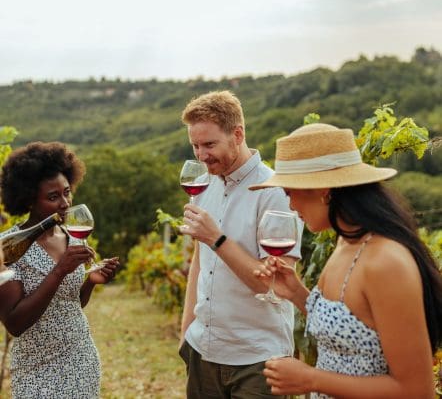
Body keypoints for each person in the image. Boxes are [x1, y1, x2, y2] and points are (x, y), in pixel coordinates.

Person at [250, 122, 442, 398]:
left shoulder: (386, 262)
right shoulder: (346, 241)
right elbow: (353, 330)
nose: (290, 206)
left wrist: (311, 379)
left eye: (289, 192)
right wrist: (295, 292)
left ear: (324, 190)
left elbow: (416, 390)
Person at [179, 90, 303, 399]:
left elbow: (274, 284)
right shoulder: (203, 184)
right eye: (195, 145)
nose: (201, 155)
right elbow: (200, 258)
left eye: (209, 144)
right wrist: (186, 331)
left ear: (238, 134)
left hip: (257, 359)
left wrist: (217, 239)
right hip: (203, 351)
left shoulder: (275, 192)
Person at [0, 141, 120, 399]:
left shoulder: (74, 237)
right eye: (53, 197)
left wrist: (90, 281)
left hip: (81, 357)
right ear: (29, 199)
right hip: (35, 368)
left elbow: (71, 304)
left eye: (67, 192)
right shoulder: (8, 247)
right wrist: (59, 271)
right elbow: (15, 324)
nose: (65, 203)